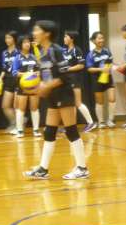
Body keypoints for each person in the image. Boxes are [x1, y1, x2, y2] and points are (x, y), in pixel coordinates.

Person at [24, 20, 89, 180]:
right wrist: (36, 87)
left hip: (64, 94)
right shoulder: (41, 52)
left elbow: (64, 76)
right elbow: (45, 76)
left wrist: (46, 86)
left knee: (71, 130)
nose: (34, 33)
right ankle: (43, 169)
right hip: (53, 95)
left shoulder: (57, 51)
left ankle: (82, 168)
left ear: (47, 33)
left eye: (37, 30)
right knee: (49, 131)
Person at [63, 31, 97, 132]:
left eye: (66, 36)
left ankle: (91, 123)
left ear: (71, 39)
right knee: (70, 104)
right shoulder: (65, 51)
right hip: (68, 80)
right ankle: (70, 126)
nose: (64, 38)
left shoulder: (76, 50)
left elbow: (81, 65)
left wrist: (68, 69)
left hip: (75, 79)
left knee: (78, 103)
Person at [12, 35, 41, 138]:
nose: (27, 44)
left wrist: (37, 73)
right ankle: (20, 130)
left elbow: (39, 69)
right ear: (20, 44)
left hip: (34, 86)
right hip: (22, 86)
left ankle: (36, 130)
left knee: (34, 108)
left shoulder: (34, 57)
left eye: (28, 42)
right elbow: (14, 72)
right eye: (24, 42)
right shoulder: (17, 57)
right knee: (21, 108)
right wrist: (26, 75)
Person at [86, 31, 116, 129]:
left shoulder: (107, 51)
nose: (101, 40)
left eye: (102, 38)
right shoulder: (90, 54)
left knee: (112, 98)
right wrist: (100, 69)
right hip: (96, 79)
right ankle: (101, 121)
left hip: (108, 78)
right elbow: (89, 69)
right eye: (99, 38)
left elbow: (111, 63)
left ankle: (110, 120)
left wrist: (110, 67)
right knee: (100, 101)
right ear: (94, 40)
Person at [0, 31, 18, 134]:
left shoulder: (18, 51)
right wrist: (0, 78)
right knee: (5, 106)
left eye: (9, 38)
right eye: (6, 38)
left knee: (16, 105)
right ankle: (15, 123)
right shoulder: (4, 53)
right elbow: (4, 68)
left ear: (14, 39)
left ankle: (18, 126)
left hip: (17, 79)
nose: (7, 40)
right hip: (8, 80)